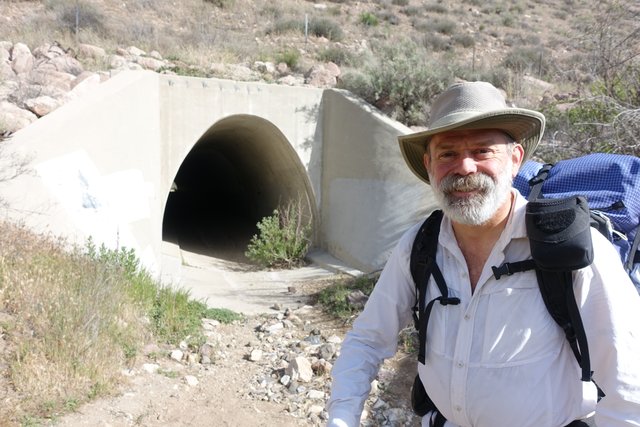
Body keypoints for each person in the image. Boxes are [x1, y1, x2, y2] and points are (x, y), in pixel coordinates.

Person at [326, 81, 640, 427]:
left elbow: (628, 390)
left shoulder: (574, 250)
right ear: (429, 165)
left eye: (482, 151)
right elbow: (368, 339)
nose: (464, 168)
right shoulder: (421, 244)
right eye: (447, 154)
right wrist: (342, 417)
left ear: (515, 159)